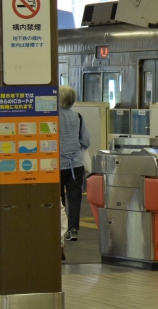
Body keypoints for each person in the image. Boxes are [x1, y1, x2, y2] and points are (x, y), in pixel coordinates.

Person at [58, 85, 90, 242]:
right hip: (75, 164)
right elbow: (86, 141)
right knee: (75, 198)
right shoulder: (78, 117)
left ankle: (60, 230)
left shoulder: (51, 118)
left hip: (55, 164)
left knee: (58, 200)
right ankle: (73, 229)